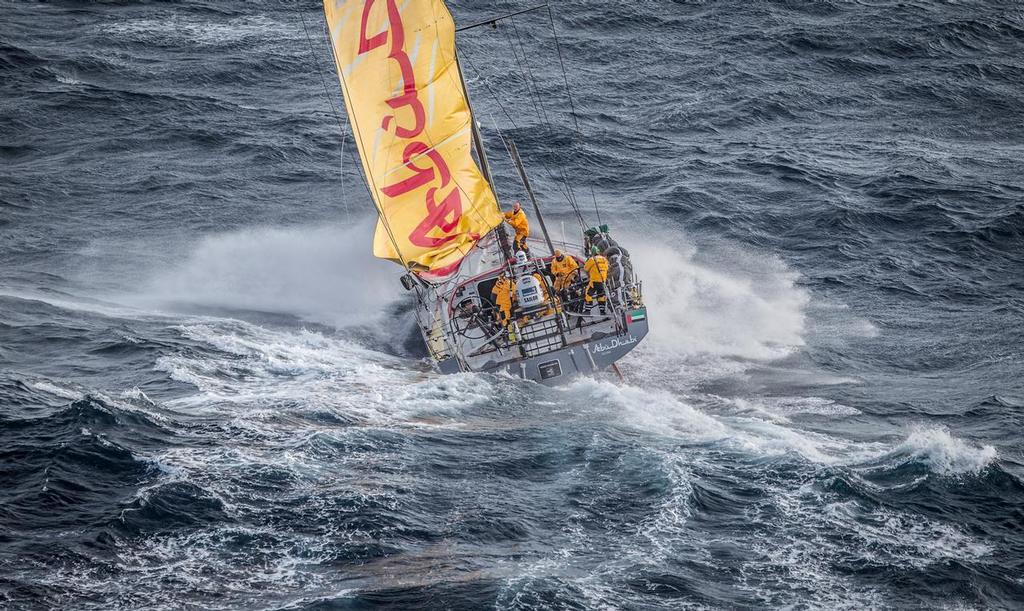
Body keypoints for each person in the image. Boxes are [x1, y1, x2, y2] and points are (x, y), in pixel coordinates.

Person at [583, 245, 609, 314]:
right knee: (601, 295)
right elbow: (607, 268)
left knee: (588, 294)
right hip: (603, 281)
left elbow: (585, 268)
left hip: (594, 281)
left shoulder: (592, 259)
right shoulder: (604, 259)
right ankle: (602, 311)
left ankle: (588, 310)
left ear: (592, 253)